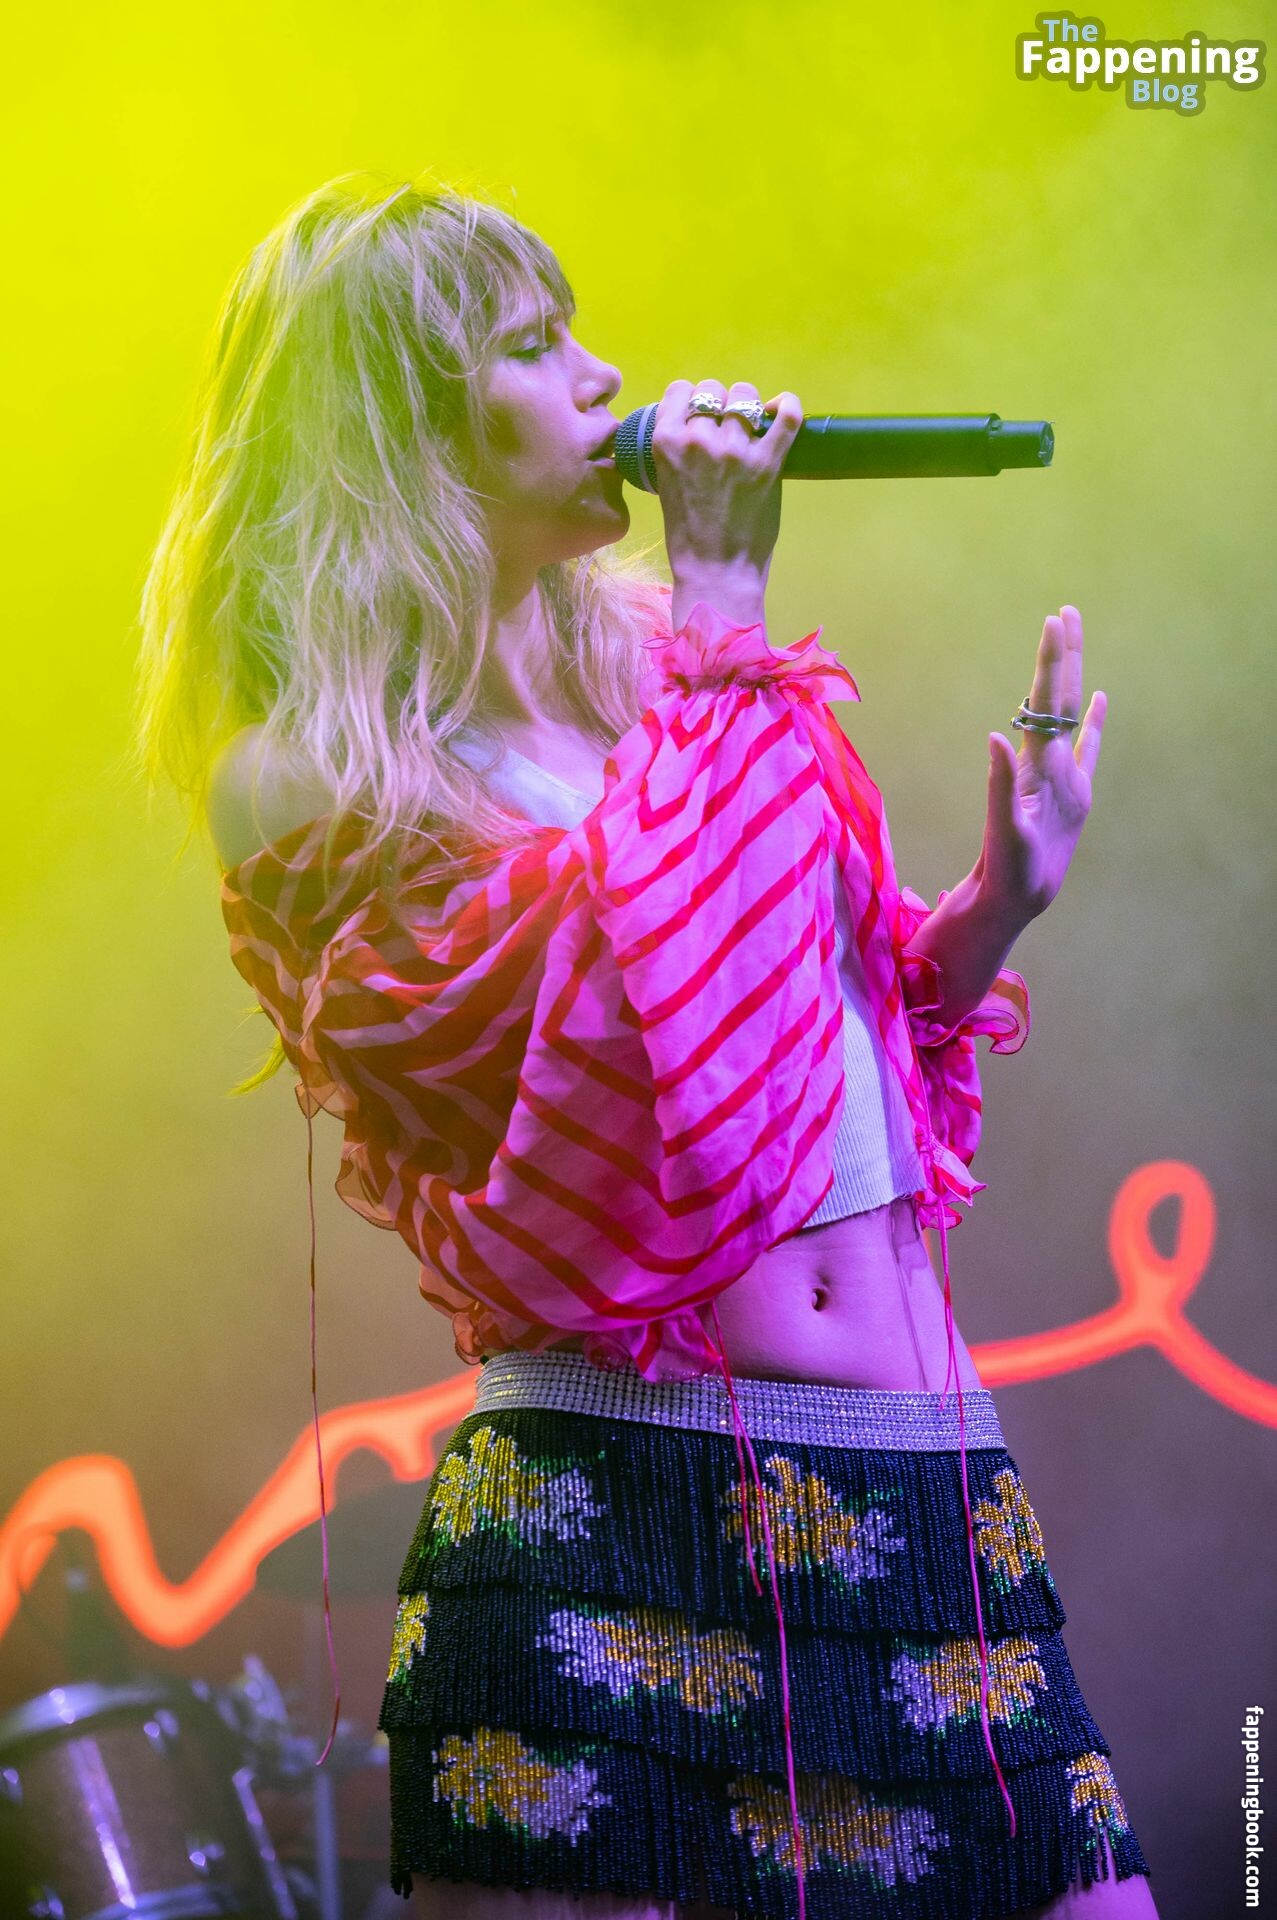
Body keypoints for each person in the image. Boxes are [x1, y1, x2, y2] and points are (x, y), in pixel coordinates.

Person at [135, 171, 1158, 1920]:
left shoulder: (657, 679)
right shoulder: (315, 776)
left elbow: (799, 1044)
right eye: (535, 344)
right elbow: (627, 1053)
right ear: (402, 429)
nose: (605, 376)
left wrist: (988, 912)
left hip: (918, 1485)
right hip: (615, 1501)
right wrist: (725, 602)